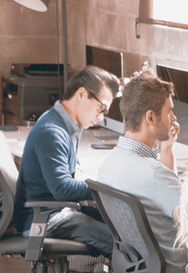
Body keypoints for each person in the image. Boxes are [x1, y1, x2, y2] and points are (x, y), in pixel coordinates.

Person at [96, 71, 188, 273]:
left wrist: (167, 148)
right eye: (169, 111)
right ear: (151, 118)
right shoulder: (154, 174)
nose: (173, 118)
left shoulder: (110, 164)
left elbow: (163, 193)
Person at [11, 65, 119, 261]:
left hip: (51, 212)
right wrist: (105, 188)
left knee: (123, 229)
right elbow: (63, 189)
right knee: (119, 244)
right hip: (42, 219)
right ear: (81, 94)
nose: (101, 117)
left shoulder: (64, 125)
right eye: (101, 108)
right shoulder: (52, 132)